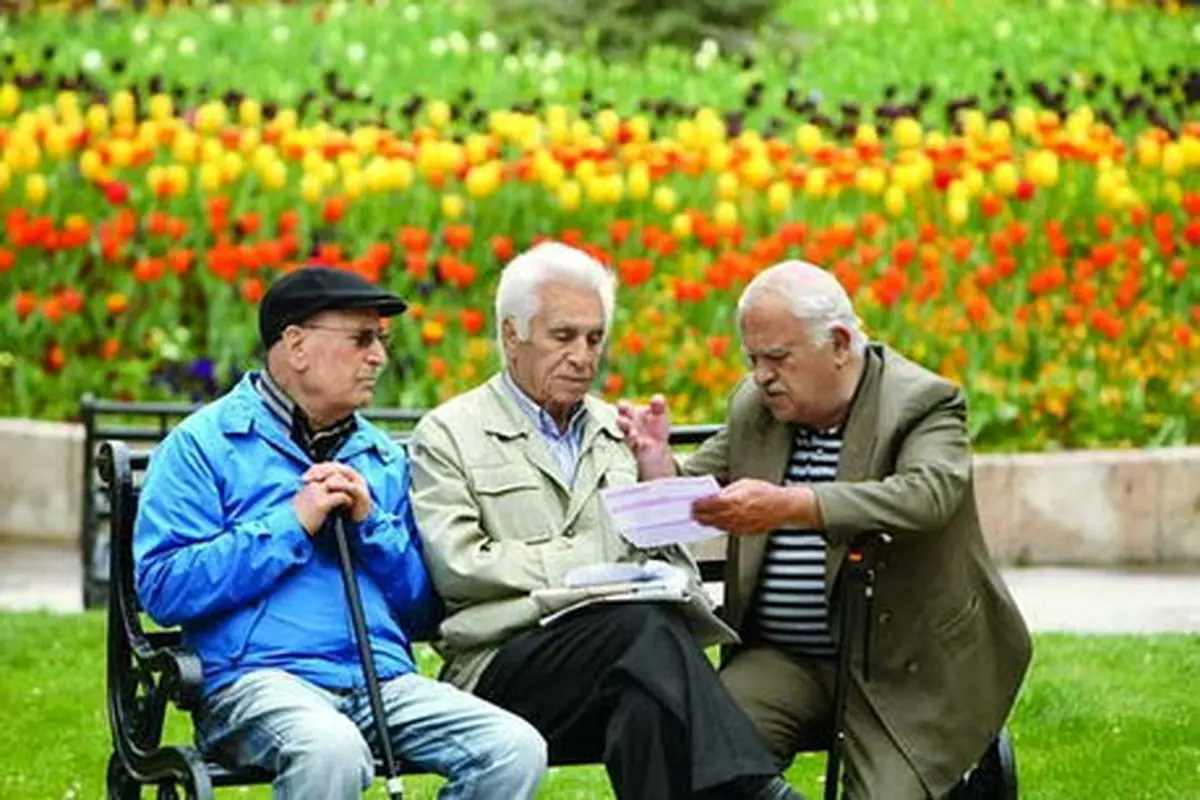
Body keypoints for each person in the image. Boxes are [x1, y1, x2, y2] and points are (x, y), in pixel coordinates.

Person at [618, 260, 1032, 799]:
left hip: (899, 667)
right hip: (782, 659)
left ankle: (969, 779)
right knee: (694, 759)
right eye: (753, 359)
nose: (762, 375)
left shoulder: (921, 402)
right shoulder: (756, 406)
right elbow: (699, 490)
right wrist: (657, 466)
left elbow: (928, 495)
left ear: (839, 344)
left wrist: (794, 506)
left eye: (778, 358)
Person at [406, 241, 806, 800]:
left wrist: (656, 477)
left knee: (647, 704)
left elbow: (674, 572)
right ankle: (755, 788)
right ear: (510, 335)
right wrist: (592, 565)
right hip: (503, 668)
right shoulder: (449, 434)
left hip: (625, 667)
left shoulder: (617, 430)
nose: (583, 356)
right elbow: (460, 566)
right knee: (644, 634)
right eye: (563, 336)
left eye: (595, 339)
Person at [134, 265, 547, 800]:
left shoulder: (379, 457)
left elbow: (424, 608)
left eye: (380, 340)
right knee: (332, 749)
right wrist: (291, 524)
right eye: (361, 339)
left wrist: (371, 527)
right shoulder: (203, 445)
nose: (378, 356)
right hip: (257, 682)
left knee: (514, 748)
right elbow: (165, 587)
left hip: (382, 680)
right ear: (296, 345)